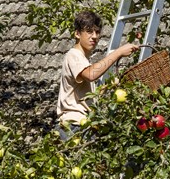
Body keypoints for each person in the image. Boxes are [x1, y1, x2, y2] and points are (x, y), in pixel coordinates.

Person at [56, 10, 139, 139]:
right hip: (73, 125)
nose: (94, 36)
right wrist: (119, 52)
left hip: (84, 124)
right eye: (89, 31)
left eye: (97, 32)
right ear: (77, 34)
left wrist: (109, 87)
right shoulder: (73, 55)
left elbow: (85, 95)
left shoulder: (83, 59)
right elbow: (90, 74)